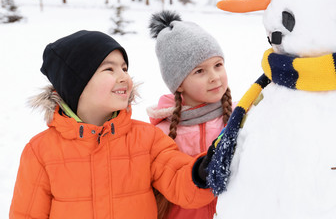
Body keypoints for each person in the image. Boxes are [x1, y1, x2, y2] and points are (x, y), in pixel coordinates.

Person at [9, 30, 215, 219]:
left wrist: (201, 171)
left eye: (124, 68)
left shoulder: (147, 139)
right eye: (109, 69)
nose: (124, 76)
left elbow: (179, 180)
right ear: (76, 84)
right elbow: (26, 214)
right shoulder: (40, 152)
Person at [147, 11, 233, 219]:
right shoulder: (160, 133)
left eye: (218, 65)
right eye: (199, 71)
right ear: (179, 84)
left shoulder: (240, 119)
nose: (214, 77)